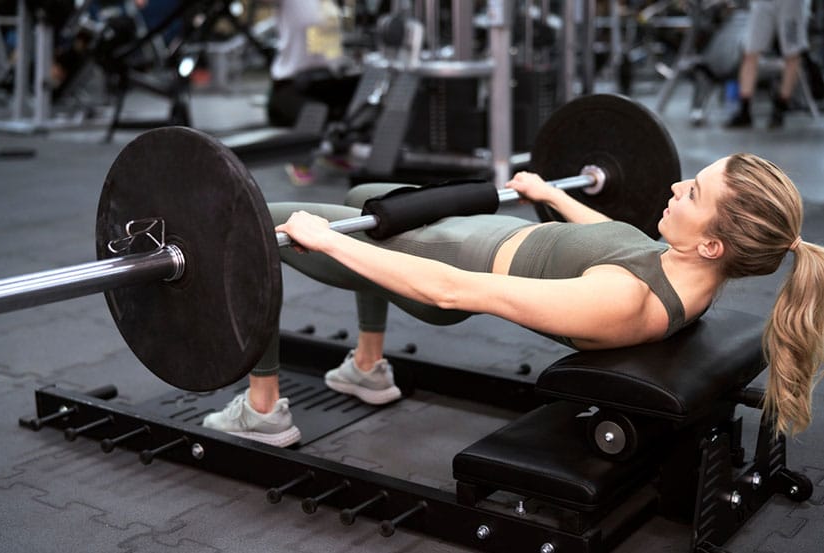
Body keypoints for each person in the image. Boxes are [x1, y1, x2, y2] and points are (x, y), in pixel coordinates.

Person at [203, 153, 824, 446]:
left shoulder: (627, 302)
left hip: (437, 260)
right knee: (370, 188)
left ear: (713, 245)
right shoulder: (687, 269)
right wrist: (549, 195)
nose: (674, 186)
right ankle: (367, 369)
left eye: (691, 193)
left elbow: (452, 288)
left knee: (256, 230)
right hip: (478, 234)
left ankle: (263, 409)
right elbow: (613, 240)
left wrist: (324, 241)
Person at [268, 0, 359, 185]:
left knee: (361, 102)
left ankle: (334, 150)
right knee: (314, 111)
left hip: (327, 80)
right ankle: (300, 158)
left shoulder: (330, 4)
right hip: (290, 85)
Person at [726, 0, 810, 128]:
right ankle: (745, 109)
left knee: (792, 54)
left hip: (791, 4)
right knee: (750, 52)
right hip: (763, 2)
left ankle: (781, 106)